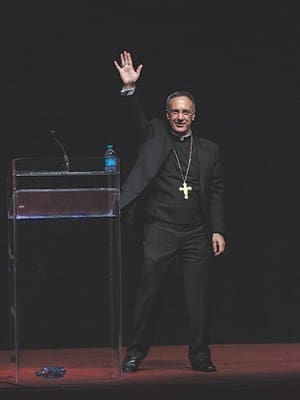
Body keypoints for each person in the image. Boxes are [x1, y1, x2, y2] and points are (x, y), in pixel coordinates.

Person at [114, 50, 226, 373]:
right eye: (174, 112)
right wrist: (129, 90)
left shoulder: (209, 151)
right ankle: (135, 352)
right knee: (148, 294)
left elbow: (216, 192)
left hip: (194, 233)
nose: (179, 117)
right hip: (160, 228)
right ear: (166, 114)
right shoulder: (153, 134)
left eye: (185, 112)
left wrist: (217, 229)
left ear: (194, 115)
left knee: (197, 299)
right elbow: (133, 118)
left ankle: (200, 355)